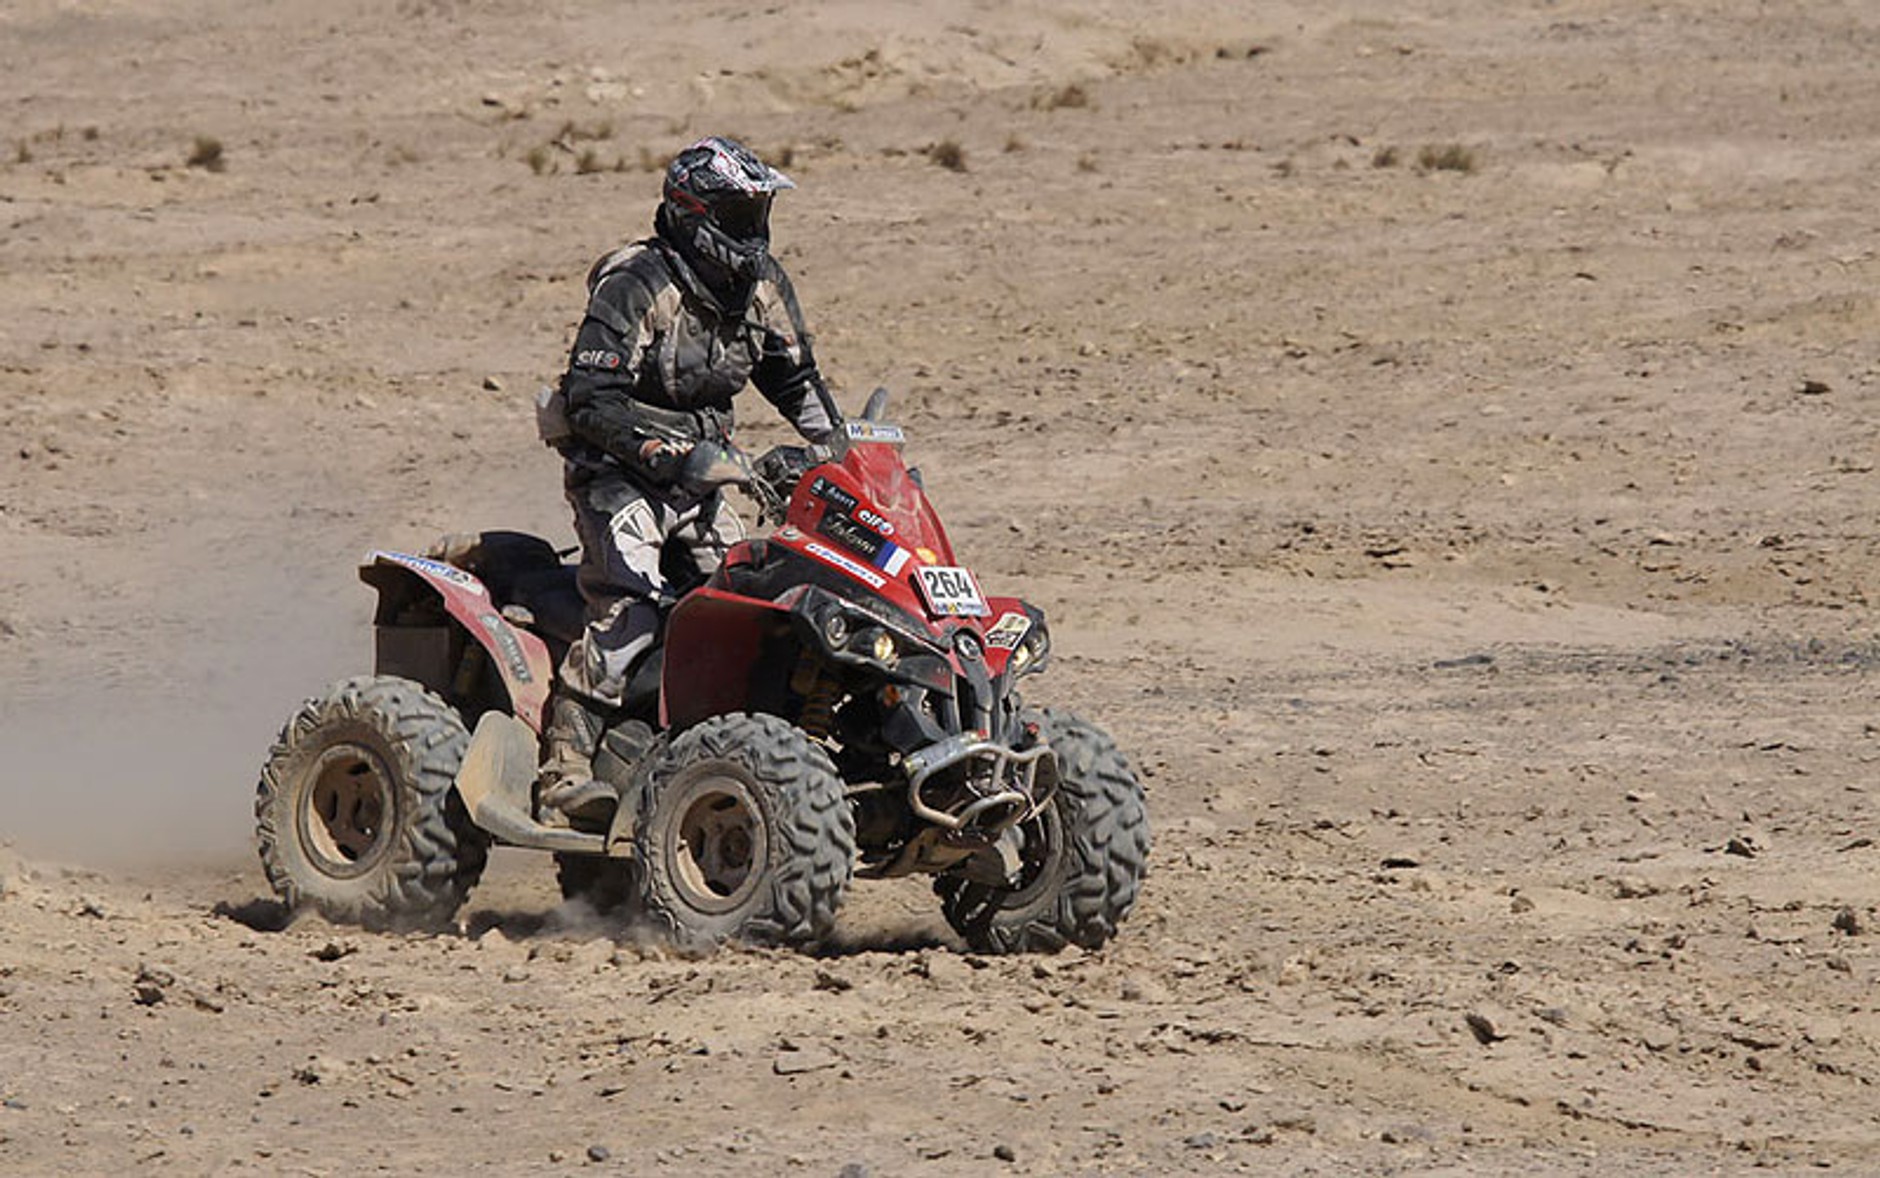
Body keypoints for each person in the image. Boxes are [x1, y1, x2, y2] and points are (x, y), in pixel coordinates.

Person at [533, 135, 841, 823]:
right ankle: (564, 769)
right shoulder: (637, 282)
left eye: (756, 213)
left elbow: (795, 380)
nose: (751, 231)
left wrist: (844, 451)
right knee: (632, 606)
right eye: (737, 215)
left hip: (705, 476)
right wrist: (666, 457)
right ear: (693, 213)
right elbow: (590, 401)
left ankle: (715, 752)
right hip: (615, 471)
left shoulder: (761, 286)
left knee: (745, 597)